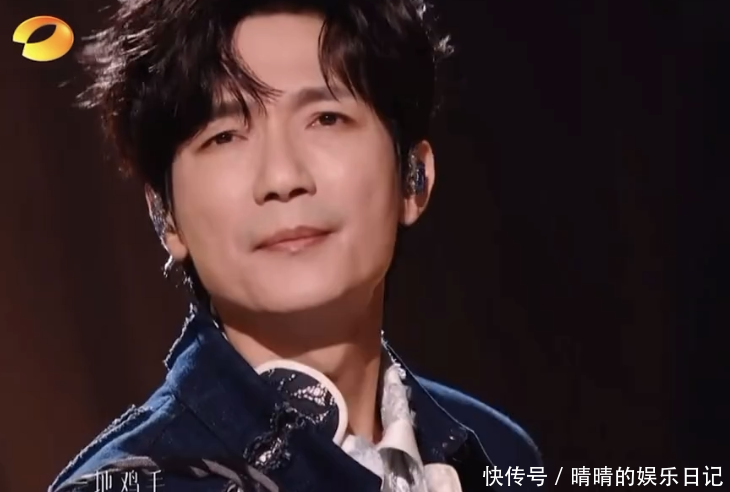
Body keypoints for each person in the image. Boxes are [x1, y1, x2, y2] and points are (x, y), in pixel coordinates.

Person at [49, 0, 542, 490]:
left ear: (414, 176)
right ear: (165, 215)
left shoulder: (497, 453)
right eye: (224, 136)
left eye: (326, 118)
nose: (282, 178)